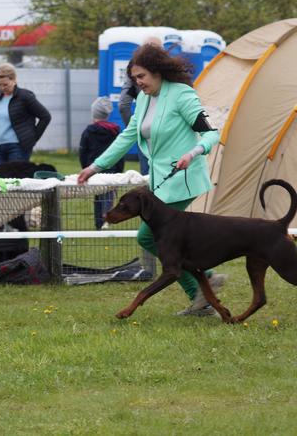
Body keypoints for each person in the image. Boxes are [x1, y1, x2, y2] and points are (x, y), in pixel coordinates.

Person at [78, 43, 225, 316]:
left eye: (142, 76)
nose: (138, 83)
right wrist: (96, 166)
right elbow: (127, 135)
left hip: (183, 179)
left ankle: (202, 289)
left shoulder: (183, 95)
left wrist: (193, 152)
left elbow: (211, 134)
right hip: (159, 182)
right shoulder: (143, 99)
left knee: (149, 236)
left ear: (157, 72)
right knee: (161, 240)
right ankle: (205, 284)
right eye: (134, 78)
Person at [0, 62, 51, 165]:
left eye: (5, 84)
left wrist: (32, 138)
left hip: (17, 147)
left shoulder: (25, 96)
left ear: (14, 80)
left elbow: (45, 117)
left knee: (15, 179)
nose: (2, 88)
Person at [119, 36, 163, 175]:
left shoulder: (134, 68)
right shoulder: (170, 68)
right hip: (168, 133)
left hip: (146, 132)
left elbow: (123, 104)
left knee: (147, 179)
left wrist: (136, 130)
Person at [79, 96, 123, 230]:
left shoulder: (88, 131)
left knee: (98, 196)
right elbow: (120, 152)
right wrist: (119, 169)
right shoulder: (115, 131)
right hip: (112, 169)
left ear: (94, 114)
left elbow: (83, 151)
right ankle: (106, 220)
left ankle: (99, 223)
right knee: (108, 196)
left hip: (94, 170)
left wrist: (86, 167)